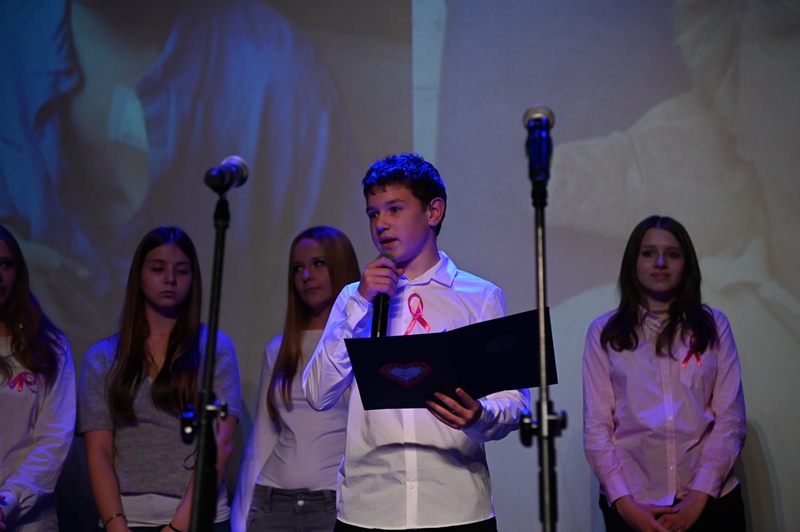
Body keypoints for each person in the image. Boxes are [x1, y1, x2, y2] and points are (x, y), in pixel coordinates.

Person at [303, 153, 529, 531]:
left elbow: (514, 401)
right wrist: (360, 304)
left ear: (433, 211)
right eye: (373, 213)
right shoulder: (353, 299)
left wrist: (479, 416)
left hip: (454, 507)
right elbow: (317, 393)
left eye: (394, 209)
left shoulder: (479, 296)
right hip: (369, 509)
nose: (381, 223)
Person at [582, 215, 746, 532]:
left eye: (672, 254)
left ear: (687, 264)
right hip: (634, 506)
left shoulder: (714, 326)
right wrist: (626, 506)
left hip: (711, 502)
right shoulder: (604, 333)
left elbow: (731, 419)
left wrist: (697, 499)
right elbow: (597, 428)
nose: (660, 262)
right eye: (649, 253)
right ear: (633, 262)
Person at [77, 227, 242, 532]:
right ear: (139, 277)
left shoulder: (215, 348)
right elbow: (98, 452)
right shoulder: (102, 357)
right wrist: (116, 526)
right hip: (126, 520)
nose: (170, 279)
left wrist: (179, 526)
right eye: (158, 269)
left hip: (197, 520)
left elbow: (221, 443)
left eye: (182, 271)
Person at [232, 226, 360, 531]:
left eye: (318, 263)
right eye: (297, 268)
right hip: (272, 502)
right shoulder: (278, 350)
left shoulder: (361, 346)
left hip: (334, 504)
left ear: (340, 265)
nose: (306, 276)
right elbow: (262, 438)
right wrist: (241, 517)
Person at [0, 225, 76, 531]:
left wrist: (7, 502)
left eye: (6, 264)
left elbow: (54, 440)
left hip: (28, 521)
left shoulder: (50, 347)